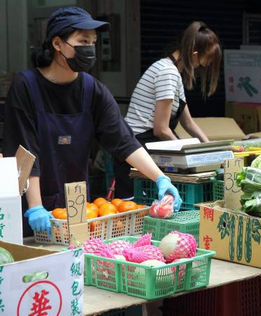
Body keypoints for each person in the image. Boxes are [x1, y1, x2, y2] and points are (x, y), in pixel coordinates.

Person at [2, 7, 182, 236]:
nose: (90, 48)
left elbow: (124, 141)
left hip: (78, 207)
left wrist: (160, 178)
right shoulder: (26, 86)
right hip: (33, 208)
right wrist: (36, 206)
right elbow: (25, 151)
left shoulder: (92, 89)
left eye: (93, 42)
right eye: (83, 40)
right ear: (58, 44)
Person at [115, 21, 222, 197]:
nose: (205, 67)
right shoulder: (167, 73)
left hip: (148, 143)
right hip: (138, 146)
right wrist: (185, 153)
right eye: (206, 62)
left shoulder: (172, 72)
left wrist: (210, 148)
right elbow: (161, 129)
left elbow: (187, 122)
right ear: (195, 55)